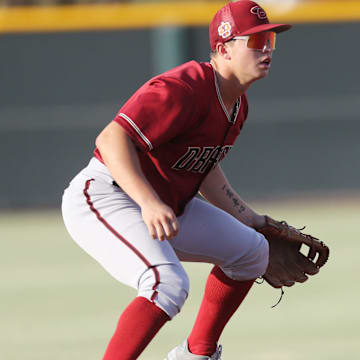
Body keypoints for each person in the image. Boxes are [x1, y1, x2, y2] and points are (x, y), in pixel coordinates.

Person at [61, 1, 292, 359]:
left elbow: (203, 168)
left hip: (166, 205)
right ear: (224, 48)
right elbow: (111, 139)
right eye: (256, 42)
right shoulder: (185, 87)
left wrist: (254, 221)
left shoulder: (237, 103)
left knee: (251, 251)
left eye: (270, 42)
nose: (266, 50)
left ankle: (196, 354)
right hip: (107, 196)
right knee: (165, 282)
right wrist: (148, 201)